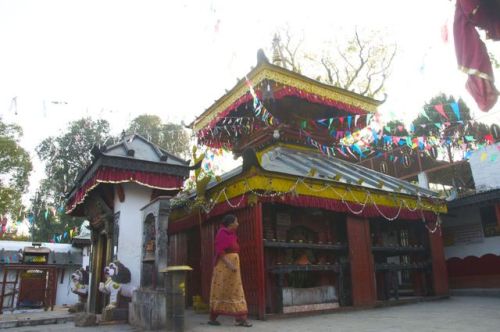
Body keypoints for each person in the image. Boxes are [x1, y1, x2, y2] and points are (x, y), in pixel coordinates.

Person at [208, 214, 252, 327]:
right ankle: (213, 318)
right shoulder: (222, 233)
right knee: (221, 290)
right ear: (230, 223)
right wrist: (230, 265)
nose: (238, 223)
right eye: (236, 221)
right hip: (224, 267)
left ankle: (240, 318)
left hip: (232, 267)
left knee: (235, 290)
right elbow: (220, 252)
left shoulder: (232, 234)